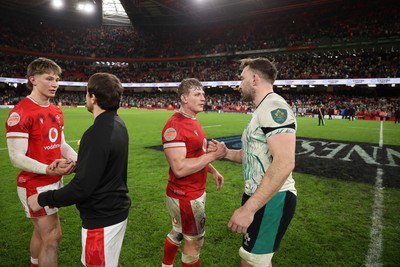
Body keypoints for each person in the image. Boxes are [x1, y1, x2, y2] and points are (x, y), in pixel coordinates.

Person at [27, 73, 131, 267]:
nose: (86, 98)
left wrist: (42, 199)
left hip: (102, 218)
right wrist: (77, 166)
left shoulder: (96, 133)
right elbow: (104, 166)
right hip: (114, 210)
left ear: (93, 97)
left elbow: (81, 189)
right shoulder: (117, 124)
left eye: (86, 94)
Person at [209, 58, 297, 267]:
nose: (239, 85)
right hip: (261, 196)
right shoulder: (262, 108)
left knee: (250, 263)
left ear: (255, 79)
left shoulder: (274, 106)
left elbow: (284, 162)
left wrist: (249, 209)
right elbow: (254, 156)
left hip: (273, 198)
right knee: (258, 261)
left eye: (242, 79)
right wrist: (226, 153)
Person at [5, 57, 77, 267]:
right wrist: (46, 168)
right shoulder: (21, 112)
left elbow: (61, 144)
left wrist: (79, 160)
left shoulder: (56, 110)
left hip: (53, 179)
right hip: (34, 184)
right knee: (52, 237)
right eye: (49, 79)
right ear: (33, 80)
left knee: (42, 233)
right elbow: (16, 157)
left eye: (57, 79)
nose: (55, 84)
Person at [161, 78, 227, 267]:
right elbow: (180, 169)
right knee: (194, 242)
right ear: (183, 98)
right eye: (197, 94)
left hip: (189, 193)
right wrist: (214, 156)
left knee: (177, 231)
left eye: (203, 94)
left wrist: (212, 170)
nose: (203, 98)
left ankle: (166, 265)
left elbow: (195, 154)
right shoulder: (175, 126)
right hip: (186, 195)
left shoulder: (192, 121)